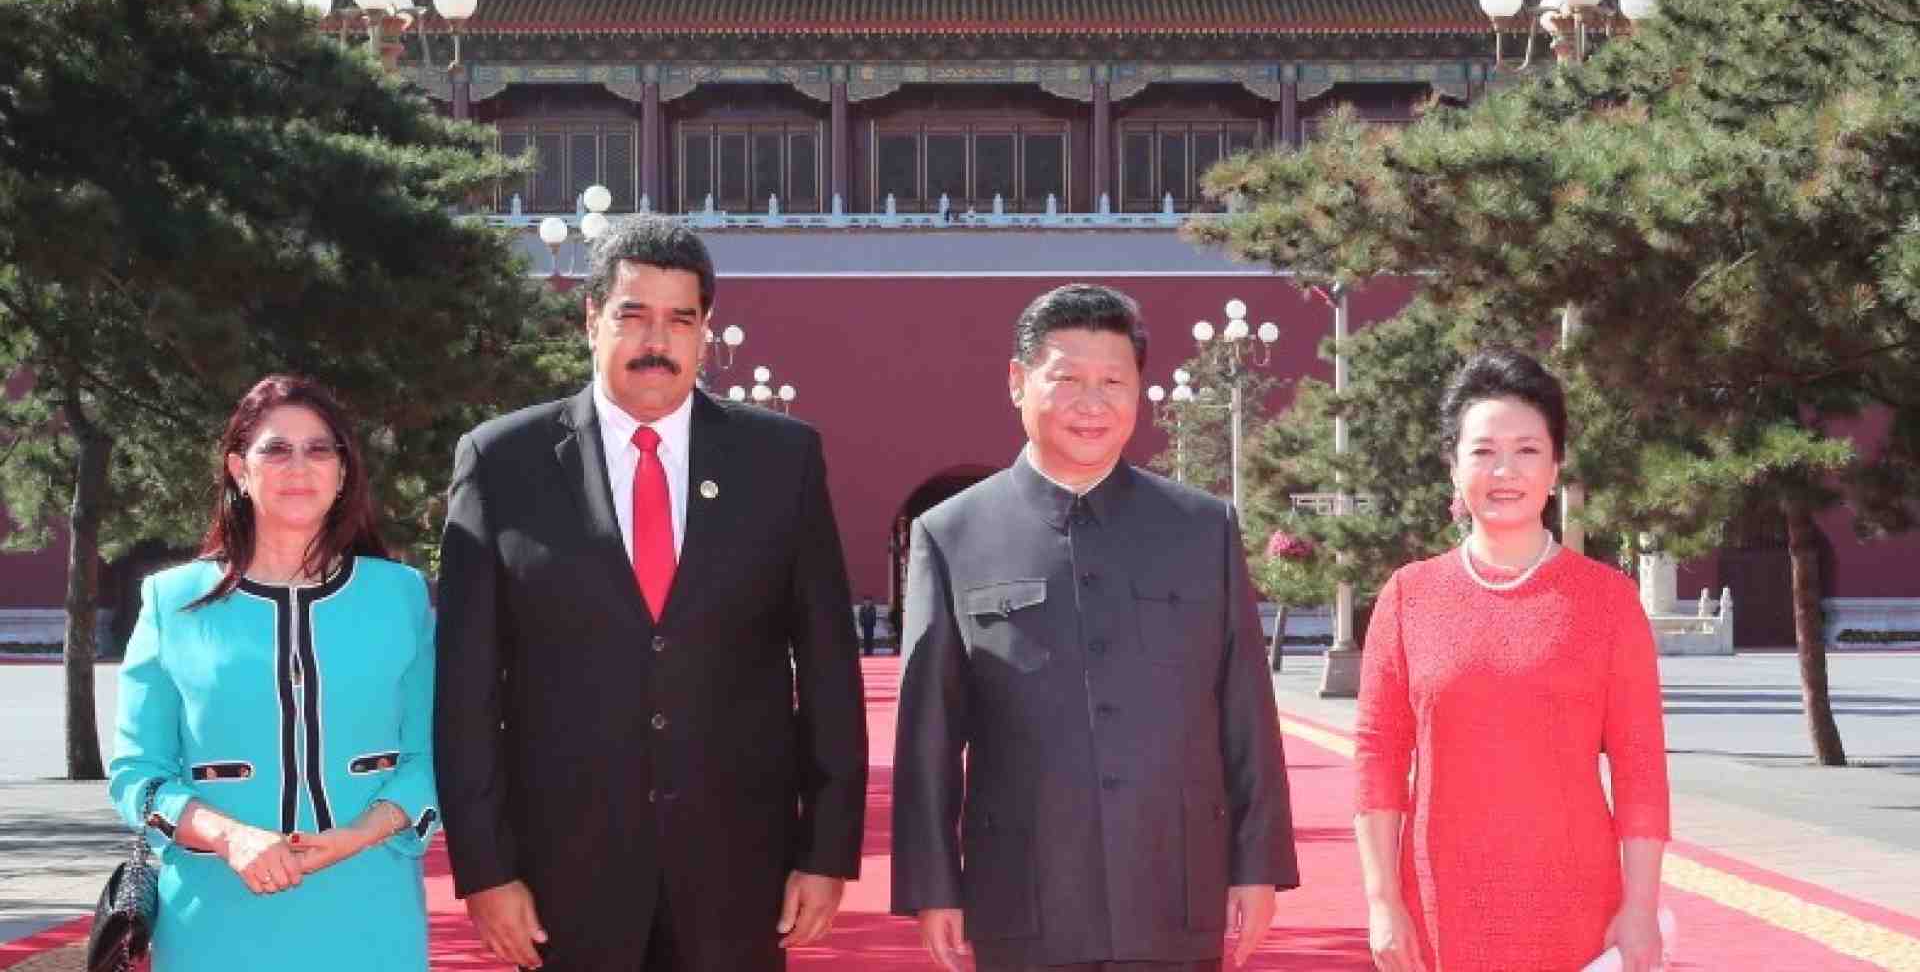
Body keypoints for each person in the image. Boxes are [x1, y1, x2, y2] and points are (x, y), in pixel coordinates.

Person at [435, 215, 867, 972]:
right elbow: (465, 688)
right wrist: (486, 869)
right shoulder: (503, 462)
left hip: (740, 871)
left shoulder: (782, 460)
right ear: (591, 319)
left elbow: (829, 669)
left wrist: (827, 850)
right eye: (633, 315)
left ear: (706, 332)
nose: (655, 342)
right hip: (562, 874)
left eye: (680, 319)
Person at [892, 284, 1298, 972]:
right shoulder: (953, 534)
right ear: (1018, 381)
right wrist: (934, 885)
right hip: (1022, 894)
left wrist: (1257, 865)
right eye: (1068, 379)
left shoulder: (1201, 528)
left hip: (1174, 891)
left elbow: (1245, 712)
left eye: (1114, 381)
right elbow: (928, 735)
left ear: (1139, 391)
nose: (1093, 402)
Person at [1353, 349, 1670, 972]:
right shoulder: (1407, 596)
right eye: (1482, 450)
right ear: (1453, 466)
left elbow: (1640, 769)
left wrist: (1642, 906)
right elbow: (1377, 759)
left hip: (1577, 906)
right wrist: (1382, 899)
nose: (1505, 470)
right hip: (1440, 906)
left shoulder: (1607, 600)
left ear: (1555, 467)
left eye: (1527, 450)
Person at [108, 375, 439, 971]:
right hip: (215, 913)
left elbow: (431, 754)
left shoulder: (402, 596)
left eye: (319, 450)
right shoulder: (170, 599)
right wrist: (231, 836)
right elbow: (138, 774)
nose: (299, 466)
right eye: (276, 449)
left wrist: (355, 837)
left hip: (370, 905)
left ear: (343, 473)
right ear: (239, 468)